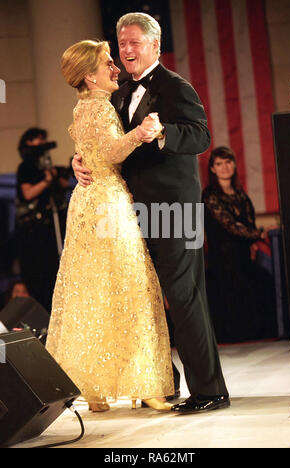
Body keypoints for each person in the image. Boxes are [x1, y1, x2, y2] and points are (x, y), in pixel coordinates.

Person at [73, 12, 229, 414]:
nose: (126, 51)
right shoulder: (119, 91)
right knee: (143, 297)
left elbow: (201, 135)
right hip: (129, 209)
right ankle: (161, 383)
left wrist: (163, 131)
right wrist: (80, 158)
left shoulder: (175, 87)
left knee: (183, 296)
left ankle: (210, 391)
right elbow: (106, 141)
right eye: (121, 43)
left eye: (134, 43)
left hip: (174, 207)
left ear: (155, 46)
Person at [46, 39, 174, 413]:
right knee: (129, 286)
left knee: (90, 292)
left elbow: (90, 150)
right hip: (107, 203)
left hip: (87, 204)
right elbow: (111, 152)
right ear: (90, 76)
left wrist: (78, 160)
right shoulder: (98, 109)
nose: (115, 68)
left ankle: (95, 389)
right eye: (107, 64)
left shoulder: (85, 106)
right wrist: (142, 131)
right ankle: (143, 383)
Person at [202, 146, 277, 343]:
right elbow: (230, 226)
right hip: (223, 260)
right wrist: (259, 234)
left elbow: (248, 222)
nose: (224, 167)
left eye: (228, 162)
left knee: (263, 283)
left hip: (244, 256)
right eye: (219, 164)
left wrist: (254, 241)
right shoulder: (210, 196)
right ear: (212, 169)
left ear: (234, 164)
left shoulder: (241, 194)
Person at [16, 128, 69, 312]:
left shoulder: (46, 166)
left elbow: (61, 188)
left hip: (53, 230)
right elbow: (27, 193)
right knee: (42, 278)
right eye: (36, 139)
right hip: (36, 234)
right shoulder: (26, 168)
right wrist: (46, 181)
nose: (41, 143)